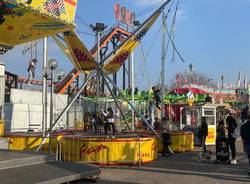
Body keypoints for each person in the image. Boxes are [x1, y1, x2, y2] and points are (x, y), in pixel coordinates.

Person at [240, 112, 250, 176]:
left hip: (247, 144)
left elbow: (243, 138)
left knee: (249, 157)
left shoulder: (243, 126)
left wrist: (243, 146)